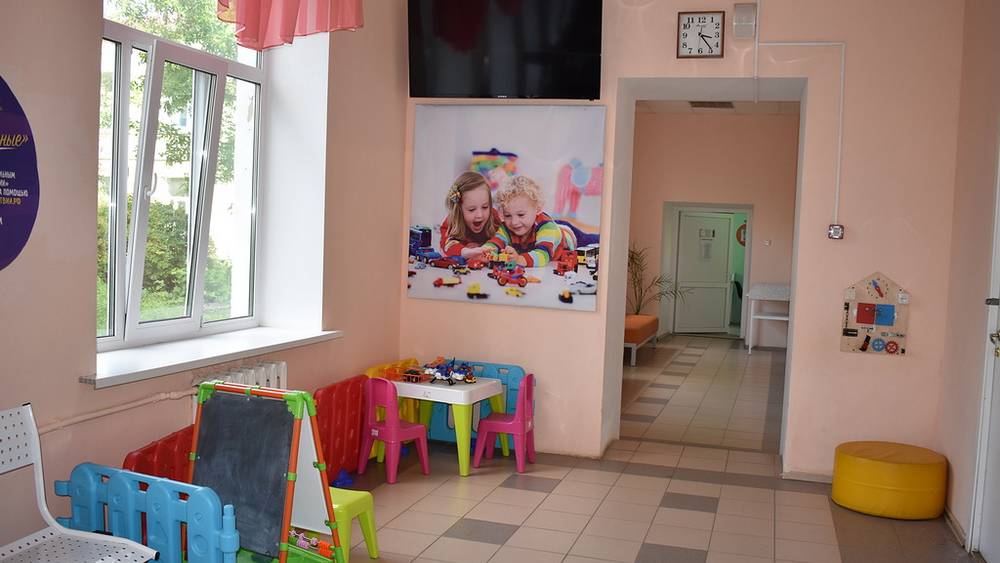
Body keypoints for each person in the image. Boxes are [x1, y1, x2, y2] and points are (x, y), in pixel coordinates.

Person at [481, 175, 577, 268]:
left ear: (538, 209)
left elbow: (543, 255)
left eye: (521, 215)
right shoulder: (507, 227)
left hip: (568, 236)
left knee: (586, 241)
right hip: (551, 228)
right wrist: (486, 252)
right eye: (507, 215)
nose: (514, 222)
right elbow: (496, 241)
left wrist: (519, 259)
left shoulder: (547, 227)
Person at [438, 171, 500, 259]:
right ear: (459, 209)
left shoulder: (494, 217)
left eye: (485, 207)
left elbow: (503, 237)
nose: (479, 215)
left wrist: (485, 246)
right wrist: (466, 252)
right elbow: (448, 245)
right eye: (472, 209)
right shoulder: (451, 222)